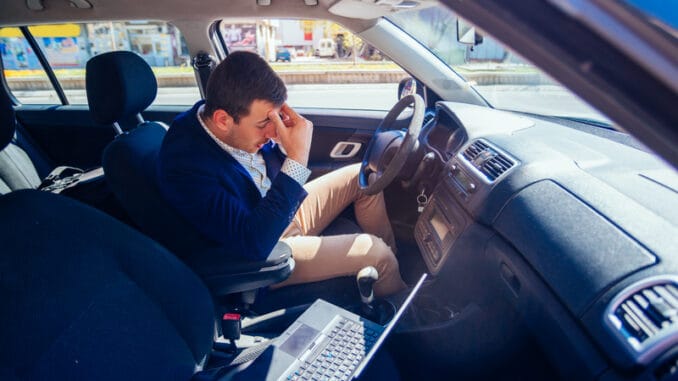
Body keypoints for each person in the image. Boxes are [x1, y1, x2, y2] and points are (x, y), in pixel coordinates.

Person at [158, 51, 406, 297]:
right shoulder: (186, 164)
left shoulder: (232, 122)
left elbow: (270, 178)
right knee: (374, 252)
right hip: (263, 251)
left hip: (279, 213)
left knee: (362, 178)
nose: (271, 132)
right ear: (223, 120)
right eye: (263, 123)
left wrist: (285, 149)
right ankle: (408, 318)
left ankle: (392, 273)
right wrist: (296, 159)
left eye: (275, 119)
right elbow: (254, 242)